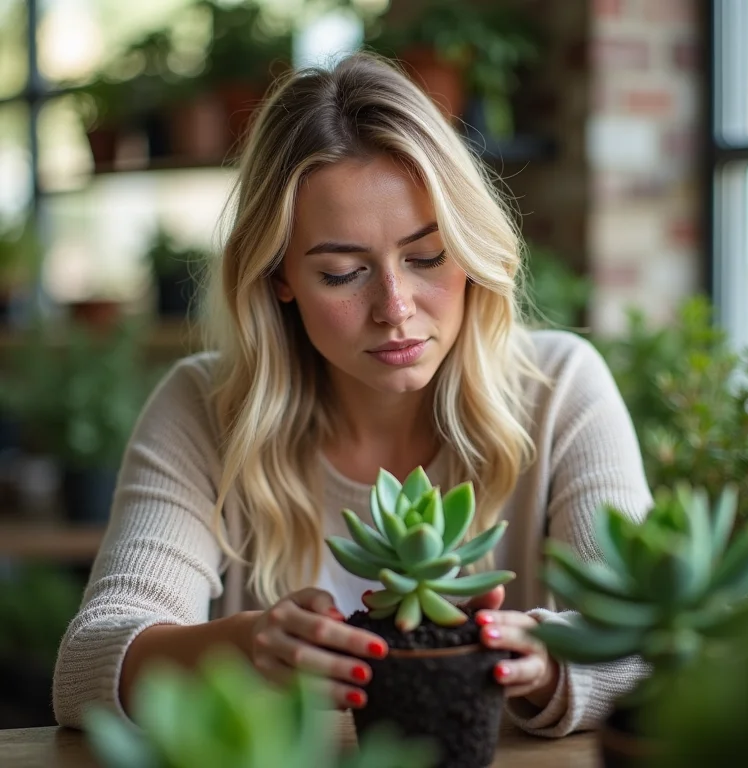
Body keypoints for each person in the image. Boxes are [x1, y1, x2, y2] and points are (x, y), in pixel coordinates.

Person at [53, 52, 651, 736]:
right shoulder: (204, 408)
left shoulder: (561, 388)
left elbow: (643, 633)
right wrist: (244, 647)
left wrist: (543, 662)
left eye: (427, 259)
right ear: (279, 277)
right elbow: (84, 666)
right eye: (342, 273)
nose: (395, 308)